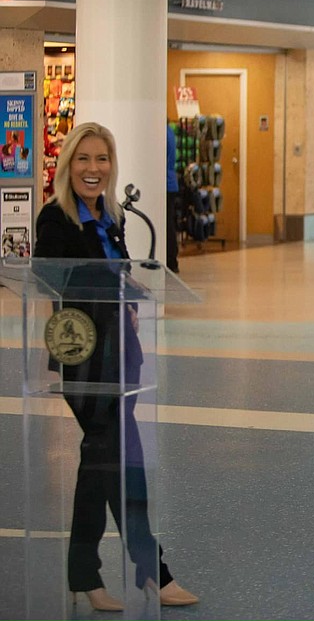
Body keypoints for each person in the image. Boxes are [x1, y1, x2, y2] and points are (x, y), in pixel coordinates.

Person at [34, 122, 198, 611]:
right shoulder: (55, 218)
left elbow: (114, 273)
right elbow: (50, 282)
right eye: (83, 159)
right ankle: (154, 569)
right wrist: (112, 290)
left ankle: (85, 575)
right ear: (68, 165)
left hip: (121, 353)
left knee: (99, 463)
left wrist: (132, 287)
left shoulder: (109, 217)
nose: (93, 169)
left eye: (101, 159)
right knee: (123, 461)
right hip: (84, 360)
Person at [165, 122, 180, 273]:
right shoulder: (169, 131)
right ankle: (172, 260)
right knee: (169, 224)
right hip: (170, 182)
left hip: (165, 184)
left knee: (167, 225)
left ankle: (170, 260)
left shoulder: (161, 133)